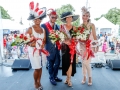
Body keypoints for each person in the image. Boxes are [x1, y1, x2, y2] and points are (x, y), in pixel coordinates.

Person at [25, 1, 46, 90]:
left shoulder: (43, 29)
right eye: (36, 19)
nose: (38, 20)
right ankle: (35, 83)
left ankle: (39, 82)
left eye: (39, 19)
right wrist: (33, 44)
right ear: (33, 20)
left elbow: (44, 40)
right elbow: (26, 41)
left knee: (40, 68)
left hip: (41, 52)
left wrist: (42, 45)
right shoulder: (30, 29)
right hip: (33, 52)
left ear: (41, 19)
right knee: (36, 68)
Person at [41, 9, 62, 85]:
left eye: (55, 17)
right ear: (49, 16)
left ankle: (55, 76)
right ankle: (51, 77)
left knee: (57, 63)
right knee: (50, 64)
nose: (54, 19)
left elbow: (60, 36)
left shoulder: (57, 26)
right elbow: (42, 37)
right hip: (49, 49)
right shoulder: (43, 25)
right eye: (52, 17)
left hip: (57, 48)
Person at [79, 6, 98, 86]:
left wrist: (96, 46)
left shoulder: (92, 25)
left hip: (89, 46)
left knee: (86, 63)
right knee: (83, 63)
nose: (85, 17)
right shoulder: (80, 26)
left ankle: (90, 77)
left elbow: (94, 36)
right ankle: (84, 76)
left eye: (87, 16)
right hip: (82, 46)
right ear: (82, 16)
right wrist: (80, 40)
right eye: (84, 15)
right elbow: (78, 37)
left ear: (89, 17)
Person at [60, 11, 79, 86]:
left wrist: (72, 41)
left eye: (70, 17)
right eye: (68, 17)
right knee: (65, 63)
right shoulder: (62, 27)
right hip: (64, 47)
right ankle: (67, 78)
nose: (69, 18)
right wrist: (65, 41)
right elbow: (60, 37)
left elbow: (76, 37)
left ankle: (69, 79)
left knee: (71, 63)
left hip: (72, 48)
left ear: (72, 18)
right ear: (65, 18)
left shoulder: (74, 27)